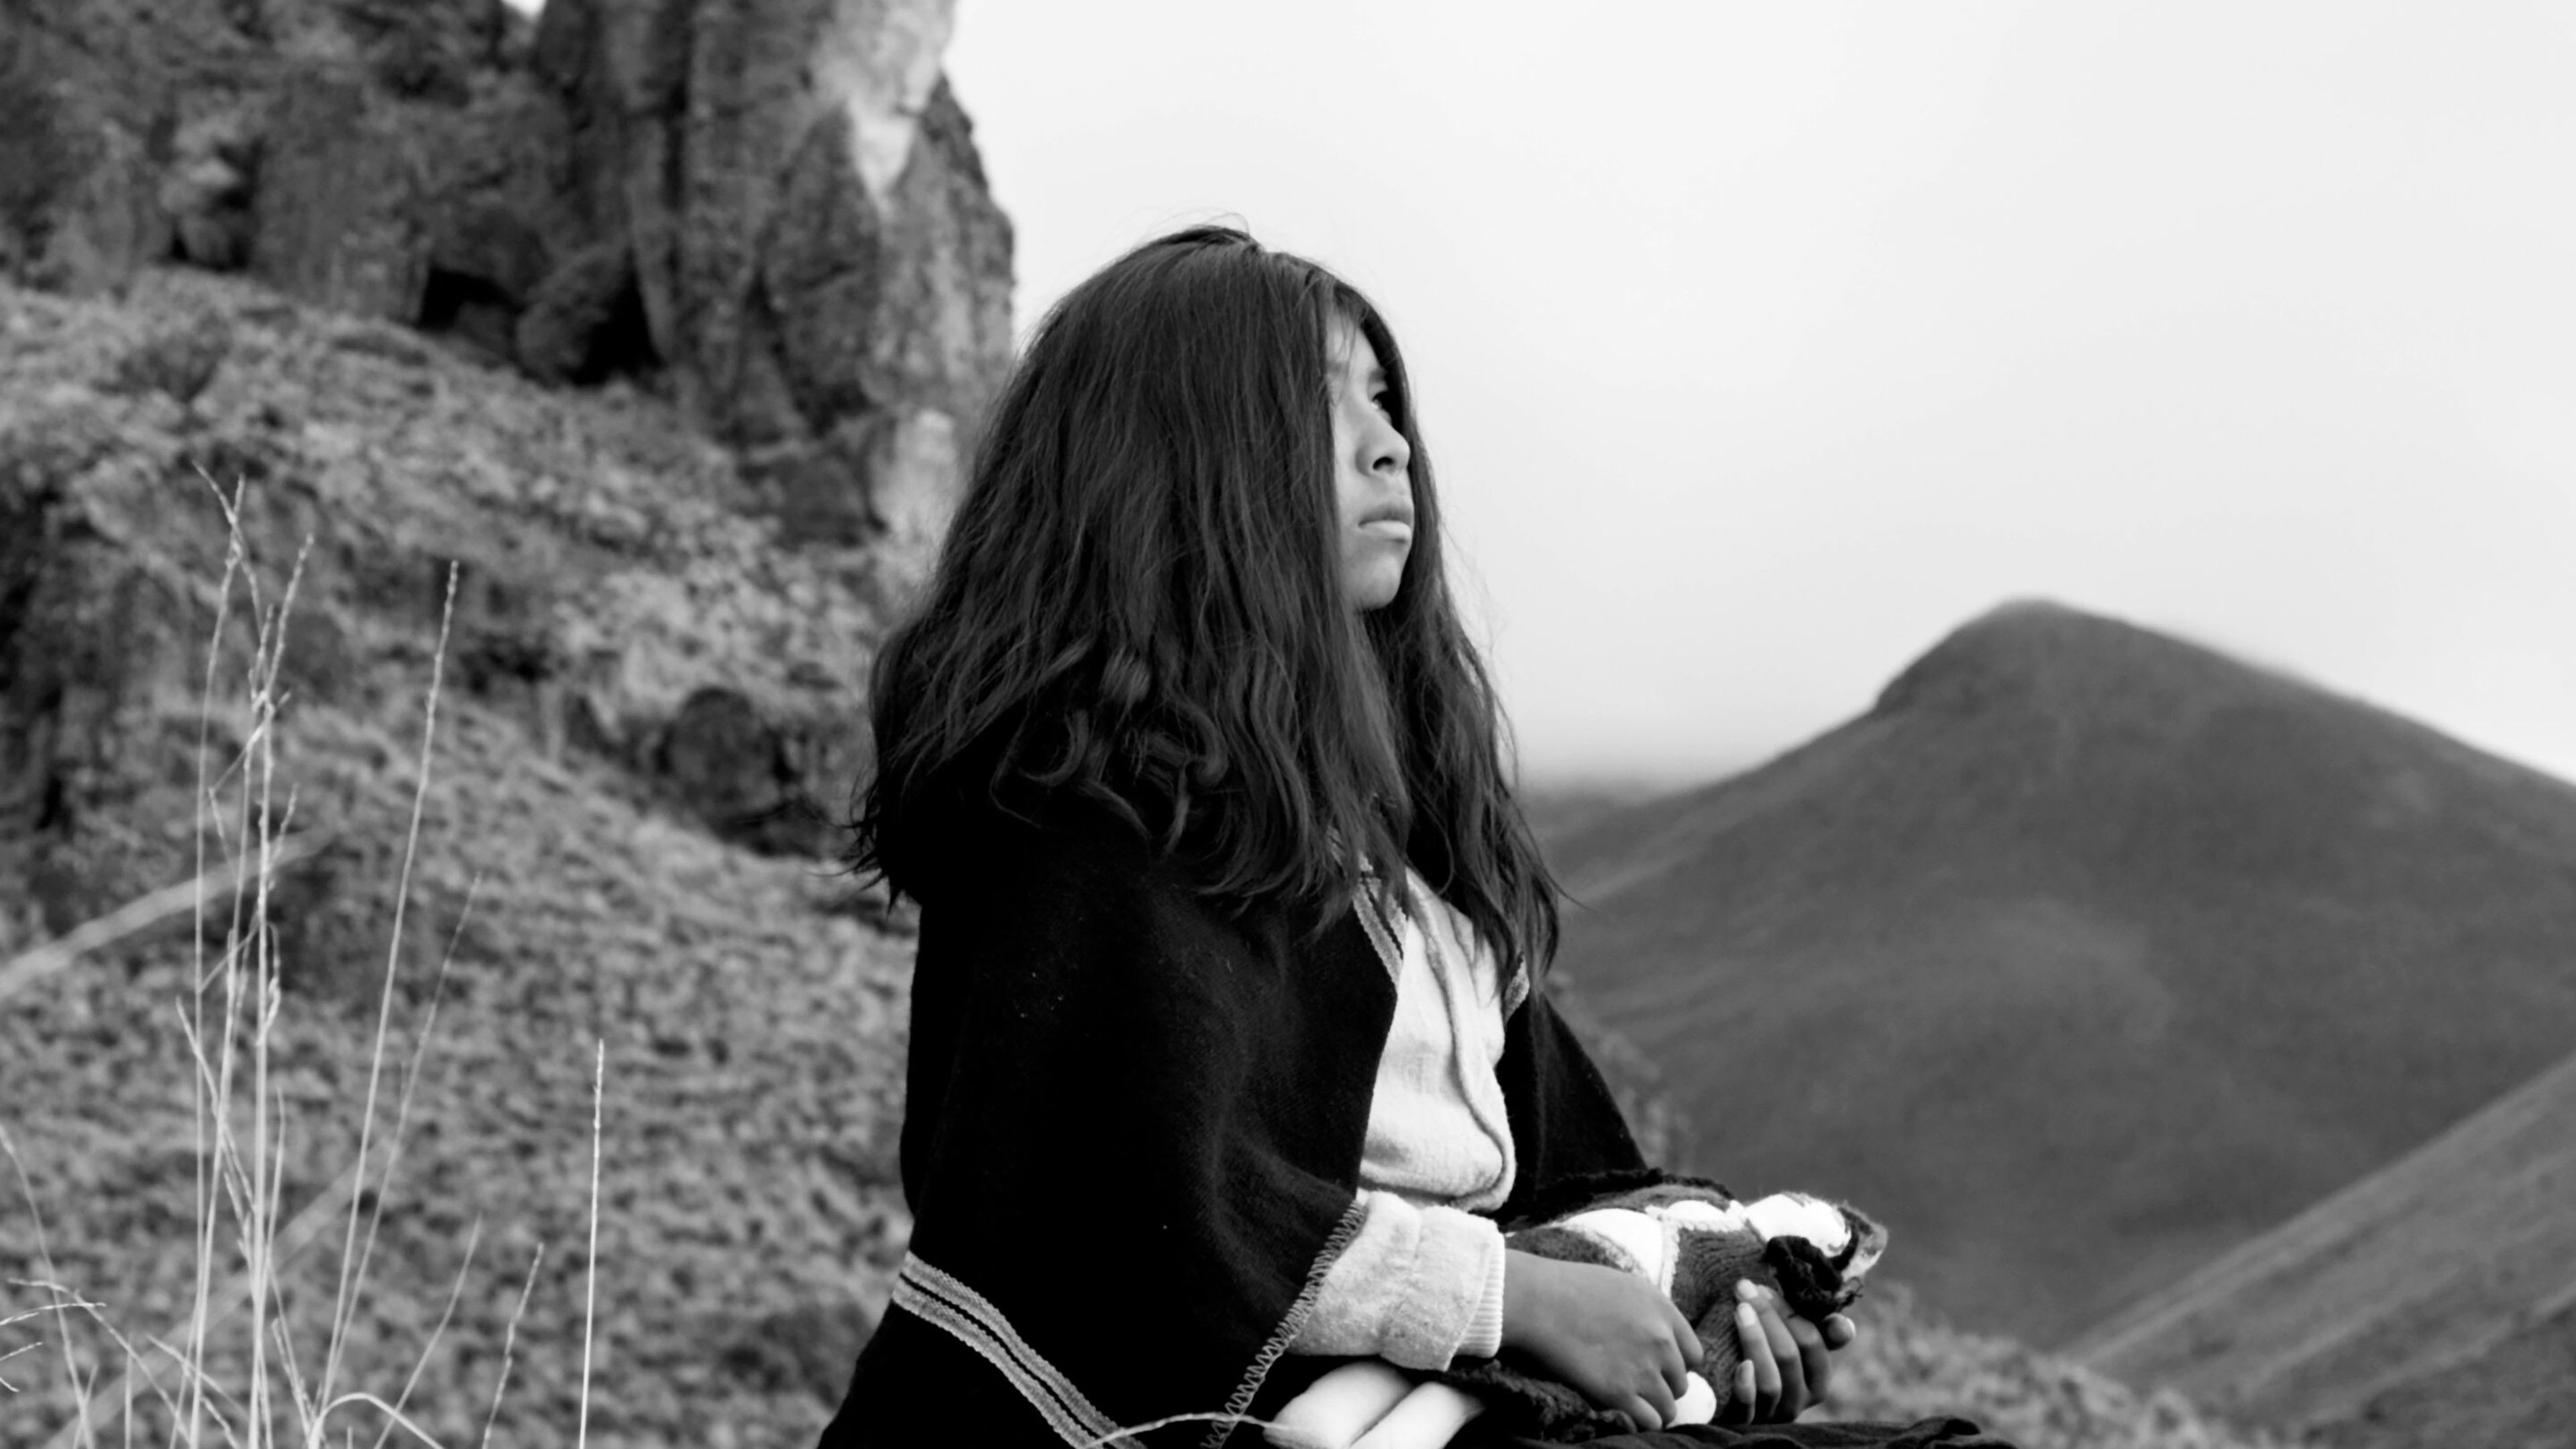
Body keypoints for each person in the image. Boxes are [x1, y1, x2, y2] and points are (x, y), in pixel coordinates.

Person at [818, 226, 1999, 1449]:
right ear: (1180, 459)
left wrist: (1710, 1316)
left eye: (1384, 399)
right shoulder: (1086, 816)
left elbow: (1574, 1187)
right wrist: (1517, 1301)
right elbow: (1125, 1211)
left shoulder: (1407, 864)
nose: (1390, 445)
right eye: (1319, 403)